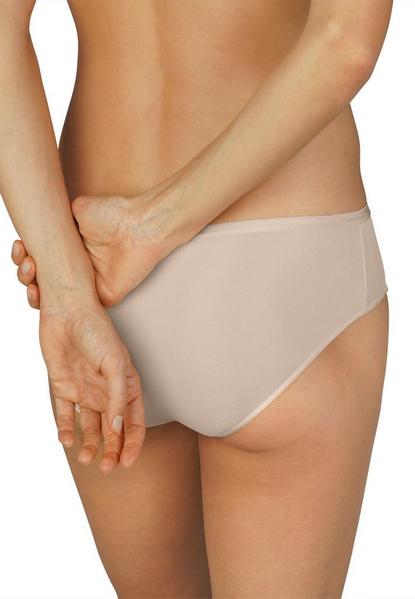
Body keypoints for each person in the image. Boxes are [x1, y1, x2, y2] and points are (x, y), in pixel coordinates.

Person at [1, 0, 393, 597]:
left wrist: (65, 289)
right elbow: (345, 42)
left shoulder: (83, 283)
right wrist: (151, 227)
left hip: (101, 282)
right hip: (277, 267)